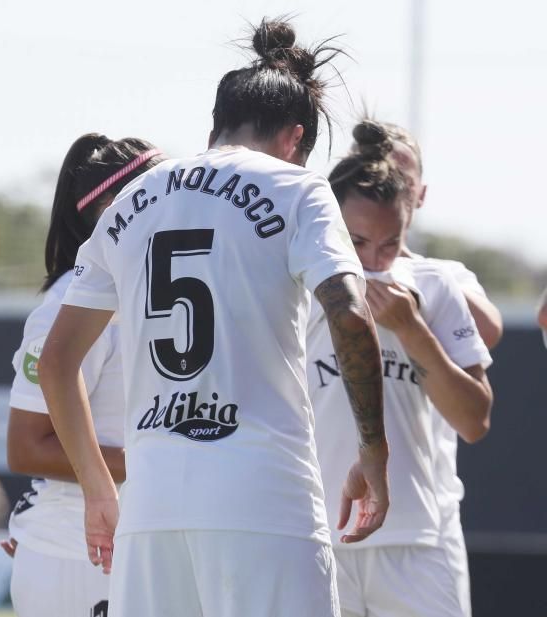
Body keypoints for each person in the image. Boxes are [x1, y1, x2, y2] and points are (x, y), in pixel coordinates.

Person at [39, 18, 388, 617]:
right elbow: (351, 317)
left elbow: (56, 362)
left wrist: (98, 488)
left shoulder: (129, 201)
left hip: (151, 511)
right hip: (263, 500)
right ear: (295, 138)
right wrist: (374, 451)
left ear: (214, 127)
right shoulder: (298, 187)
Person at [310, 119, 493, 617]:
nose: (373, 259)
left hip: (417, 541)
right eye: (358, 242)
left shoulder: (434, 284)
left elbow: (475, 421)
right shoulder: (300, 285)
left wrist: (411, 328)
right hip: (317, 536)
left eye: (388, 244)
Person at [3, 134, 164, 617]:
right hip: (79, 552)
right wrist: (169, 462)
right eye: (156, 192)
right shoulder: (68, 307)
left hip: (139, 543)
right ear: (114, 209)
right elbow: (27, 445)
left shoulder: (154, 295)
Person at [376, 120, 501, 616]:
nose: (390, 184)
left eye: (400, 176)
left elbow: (488, 329)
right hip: (333, 526)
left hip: (423, 523)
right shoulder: (322, 271)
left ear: (419, 193)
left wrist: (405, 272)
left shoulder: (443, 276)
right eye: (377, 173)